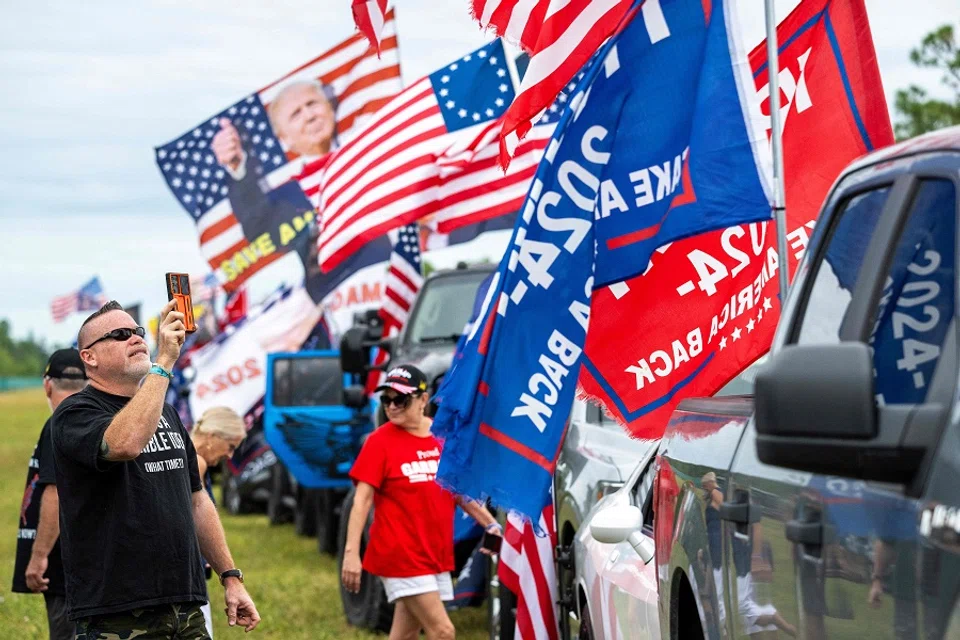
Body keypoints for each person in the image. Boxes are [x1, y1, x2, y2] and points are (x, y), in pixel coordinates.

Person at [51, 300, 260, 638]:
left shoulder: (167, 412)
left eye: (136, 331)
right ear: (89, 357)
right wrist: (162, 362)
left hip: (184, 603)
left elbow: (197, 499)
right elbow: (124, 443)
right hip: (118, 611)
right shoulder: (75, 413)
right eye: (119, 334)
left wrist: (230, 577)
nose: (135, 337)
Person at [342, 364, 501, 640]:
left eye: (400, 399)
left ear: (423, 400)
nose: (392, 407)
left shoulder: (442, 438)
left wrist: (490, 524)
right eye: (386, 399)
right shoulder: (379, 442)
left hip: (434, 554)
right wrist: (351, 554)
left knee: (405, 634)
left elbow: (459, 491)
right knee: (443, 631)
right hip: (400, 555)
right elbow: (362, 502)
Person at [12, 349, 88, 640]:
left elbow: (56, 493)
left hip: (64, 566)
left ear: (47, 384)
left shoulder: (58, 423)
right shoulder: (91, 418)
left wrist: (39, 556)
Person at [190, 406, 248, 638]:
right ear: (213, 437)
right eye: (231, 446)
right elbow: (196, 516)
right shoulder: (197, 462)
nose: (230, 455)